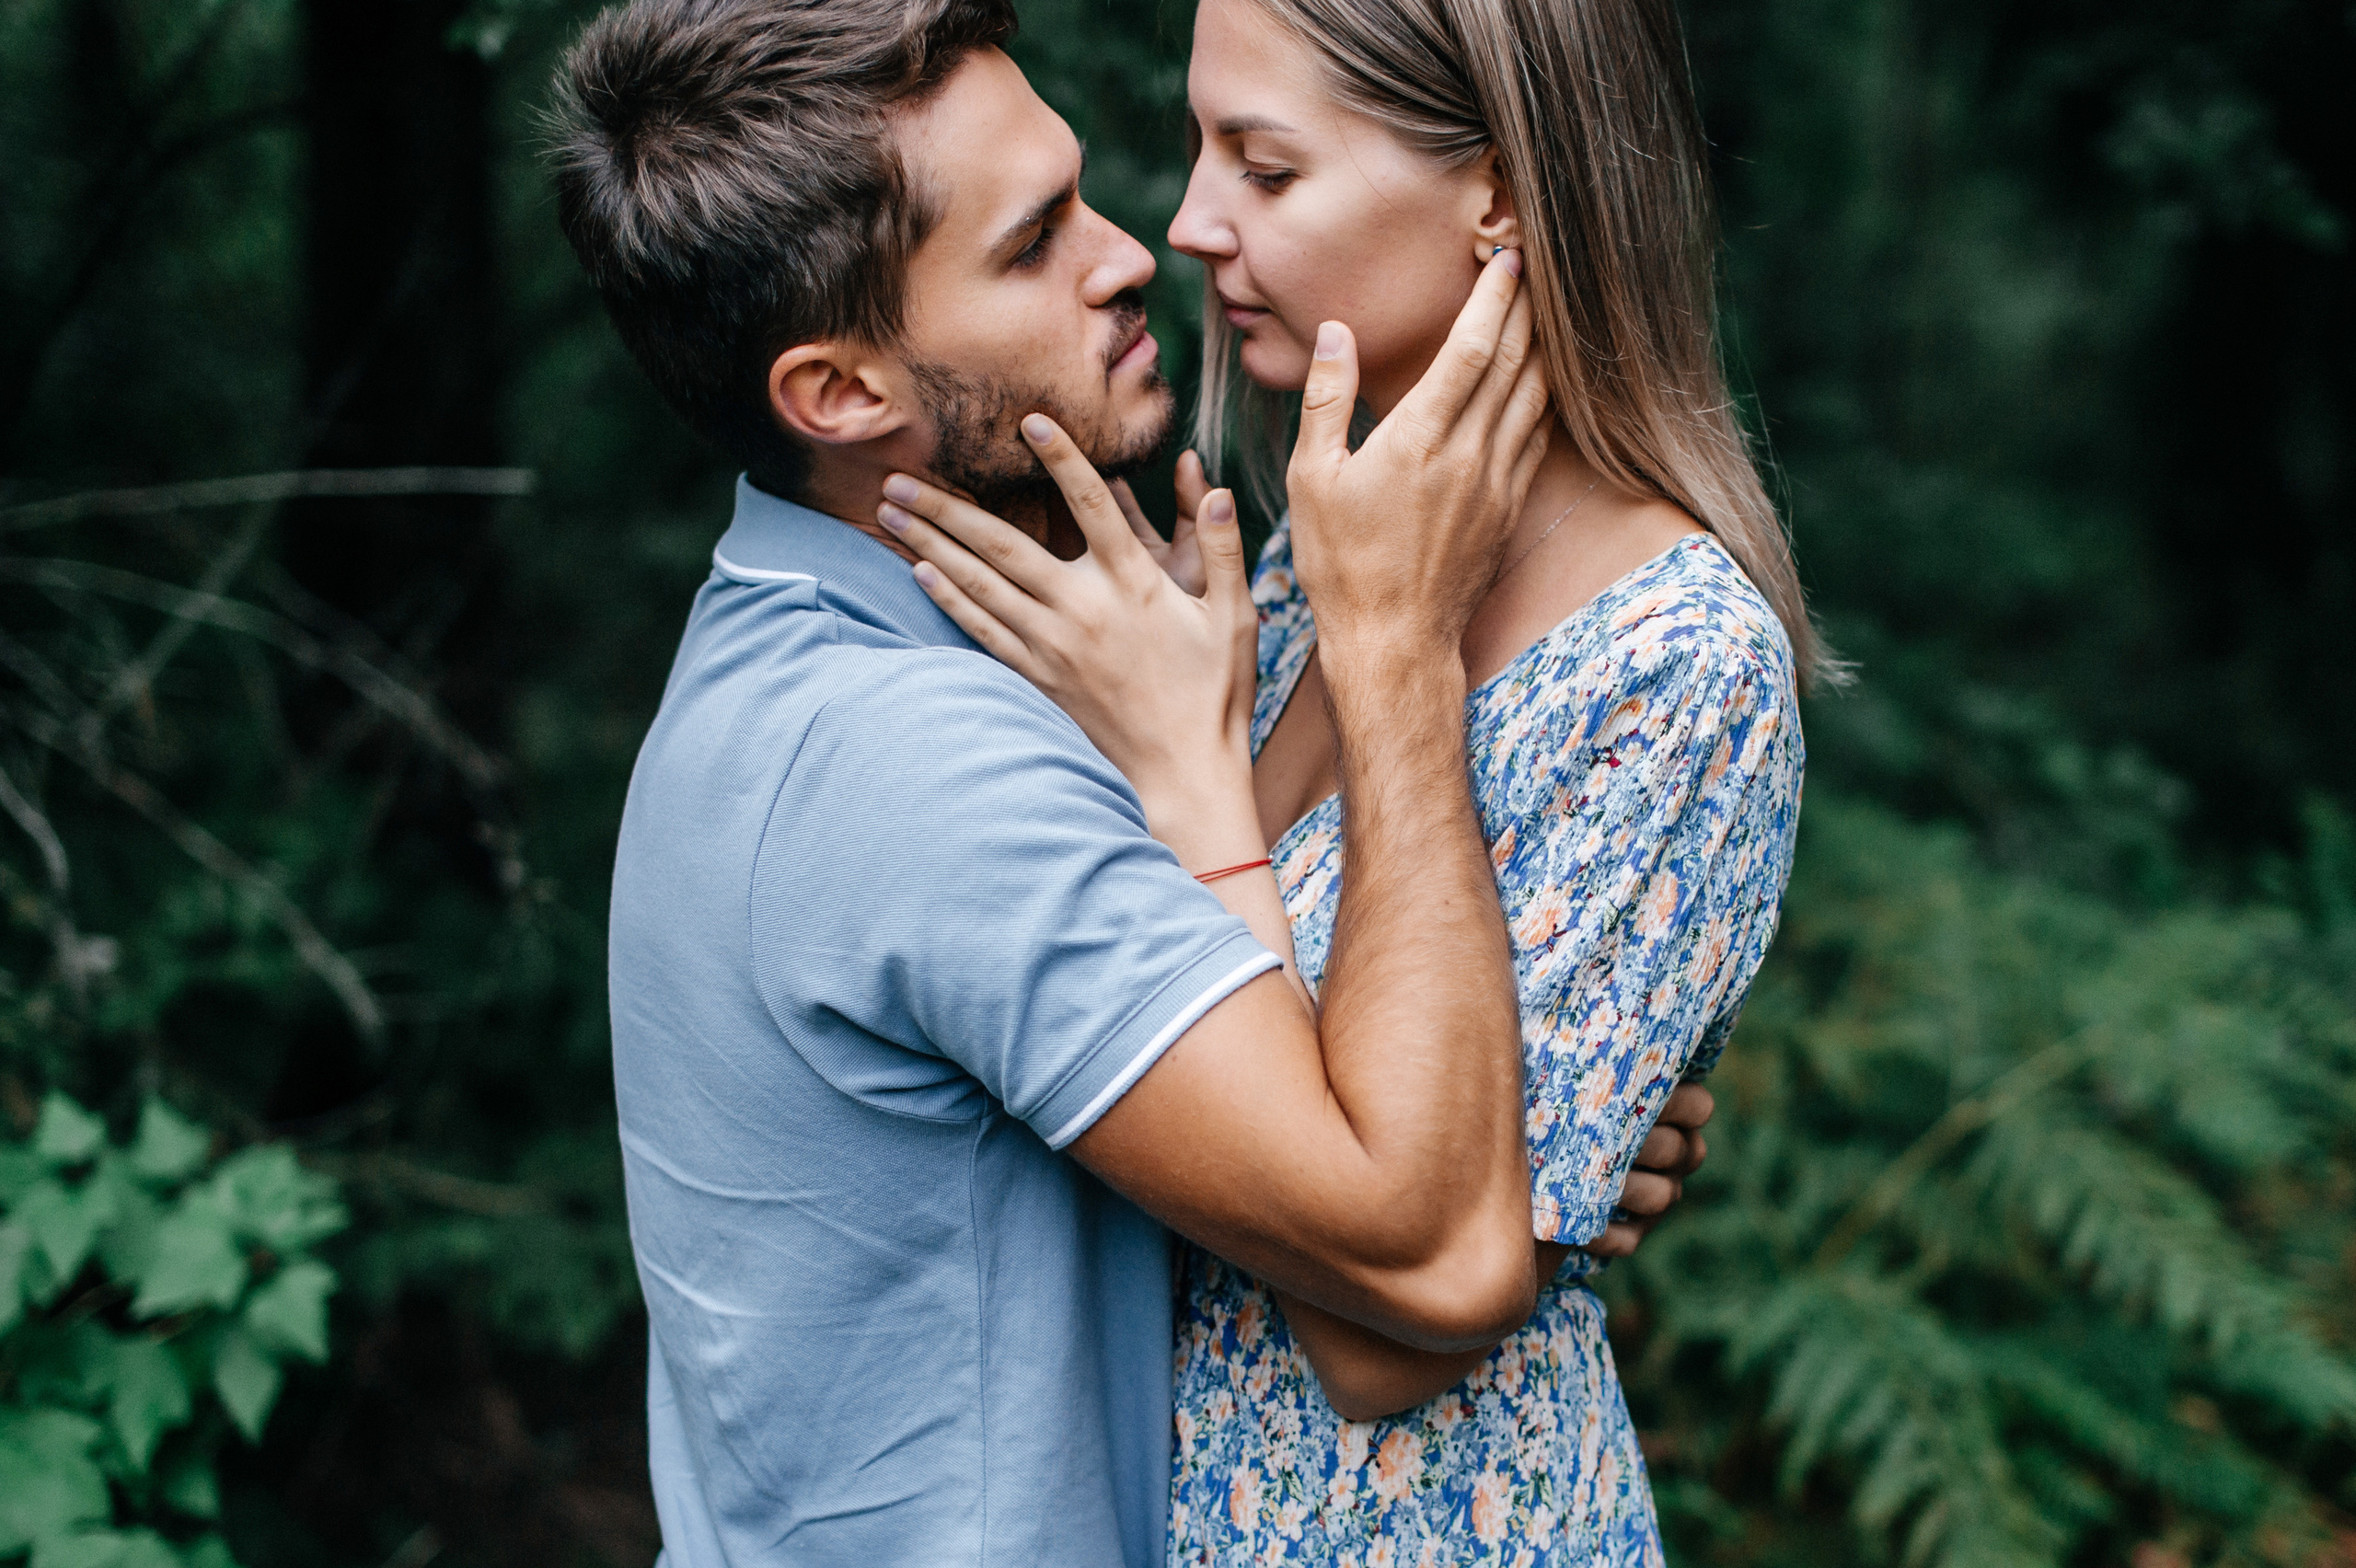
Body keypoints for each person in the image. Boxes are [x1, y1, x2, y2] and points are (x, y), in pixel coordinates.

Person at [548, 3, 1708, 1566]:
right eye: (1031, 248)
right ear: (837, 394)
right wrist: (1396, 643)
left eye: (1083, 192)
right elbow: (1429, 1257)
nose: (1134, 250)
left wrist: (1543, 1118)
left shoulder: (794, 660)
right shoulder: (919, 767)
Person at [873, 0, 1817, 1560]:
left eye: (1264, 165)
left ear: (1502, 188)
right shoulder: (1317, 574)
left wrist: (1240, 754)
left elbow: (1384, 1340)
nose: (1185, 221)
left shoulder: (1676, 667)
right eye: (1198, 149)